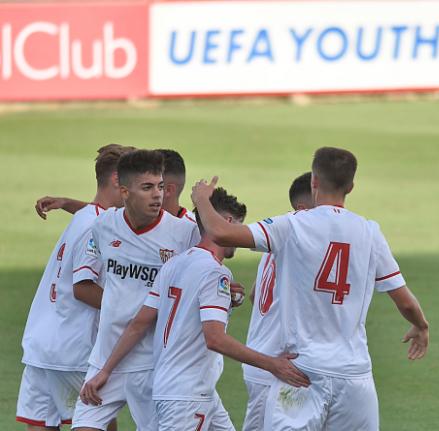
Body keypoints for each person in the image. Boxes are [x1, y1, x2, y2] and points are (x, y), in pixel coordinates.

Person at [191, 147, 429, 430]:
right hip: (354, 376)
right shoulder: (370, 231)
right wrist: (421, 326)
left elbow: (221, 232)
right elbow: (404, 302)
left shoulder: (292, 225)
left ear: (314, 181)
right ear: (351, 186)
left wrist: (202, 200)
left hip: (301, 373)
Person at [78, 188, 309, 431]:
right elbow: (215, 339)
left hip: (187, 390)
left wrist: (105, 370)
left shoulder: (173, 264)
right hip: (187, 397)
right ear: (227, 223)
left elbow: (139, 323)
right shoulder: (215, 273)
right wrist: (273, 364)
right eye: (237, 226)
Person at [71, 150, 200, 431]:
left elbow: (203, 280)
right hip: (106, 357)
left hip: (154, 363)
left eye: (160, 186)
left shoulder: (184, 234)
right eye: (147, 187)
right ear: (124, 191)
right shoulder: (104, 226)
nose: (157, 195)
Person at [17, 144, 133, 431]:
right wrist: (135, 312)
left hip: (41, 343)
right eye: (139, 182)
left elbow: (95, 213)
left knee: (41, 424)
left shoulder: (87, 216)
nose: (145, 192)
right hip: (73, 348)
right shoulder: (98, 227)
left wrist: (66, 202)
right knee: (98, 422)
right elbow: (83, 288)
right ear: (118, 180)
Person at [242, 172, 314, 431]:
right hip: (274, 366)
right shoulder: (299, 245)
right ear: (302, 209)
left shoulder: (279, 240)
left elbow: (254, 295)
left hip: (264, 357)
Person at [35, 149, 196, 224]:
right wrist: (65, 203)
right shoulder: (139, 217)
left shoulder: (191, 229)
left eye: (153, 185)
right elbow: (101, 215)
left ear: (167, 190)